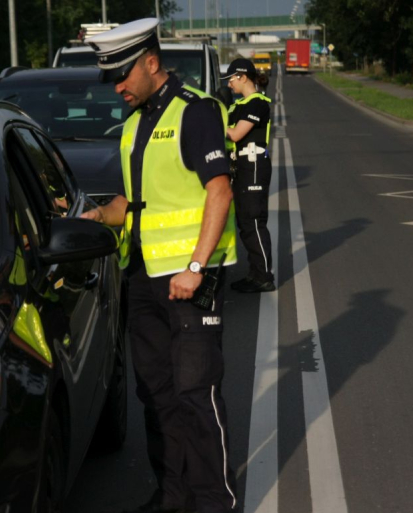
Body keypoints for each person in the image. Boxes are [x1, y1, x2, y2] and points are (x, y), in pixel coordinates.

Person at [81, 18, 238, 513]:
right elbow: (135, 202)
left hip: (188, 280)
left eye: (123, 75)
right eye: (112, 79)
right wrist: (99, 216)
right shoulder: (133, 126)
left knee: (196, 395)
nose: (118, 86)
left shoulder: (196, 112)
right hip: (143, 280)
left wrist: (196, 266)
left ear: (151, 62)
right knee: (158, 397)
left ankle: (215, 501)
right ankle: (173, 496)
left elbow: (220, 189)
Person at [222, 58, 275, 293]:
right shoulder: (236, 106)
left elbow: (234, 134)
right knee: (244, 223)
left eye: (231, 79)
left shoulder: (258, 103)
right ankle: (254, 274)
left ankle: (264, 277)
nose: (229, 84)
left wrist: (212, 120)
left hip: (254, 166)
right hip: (240, 168)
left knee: (253, 221)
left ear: (243, 77)